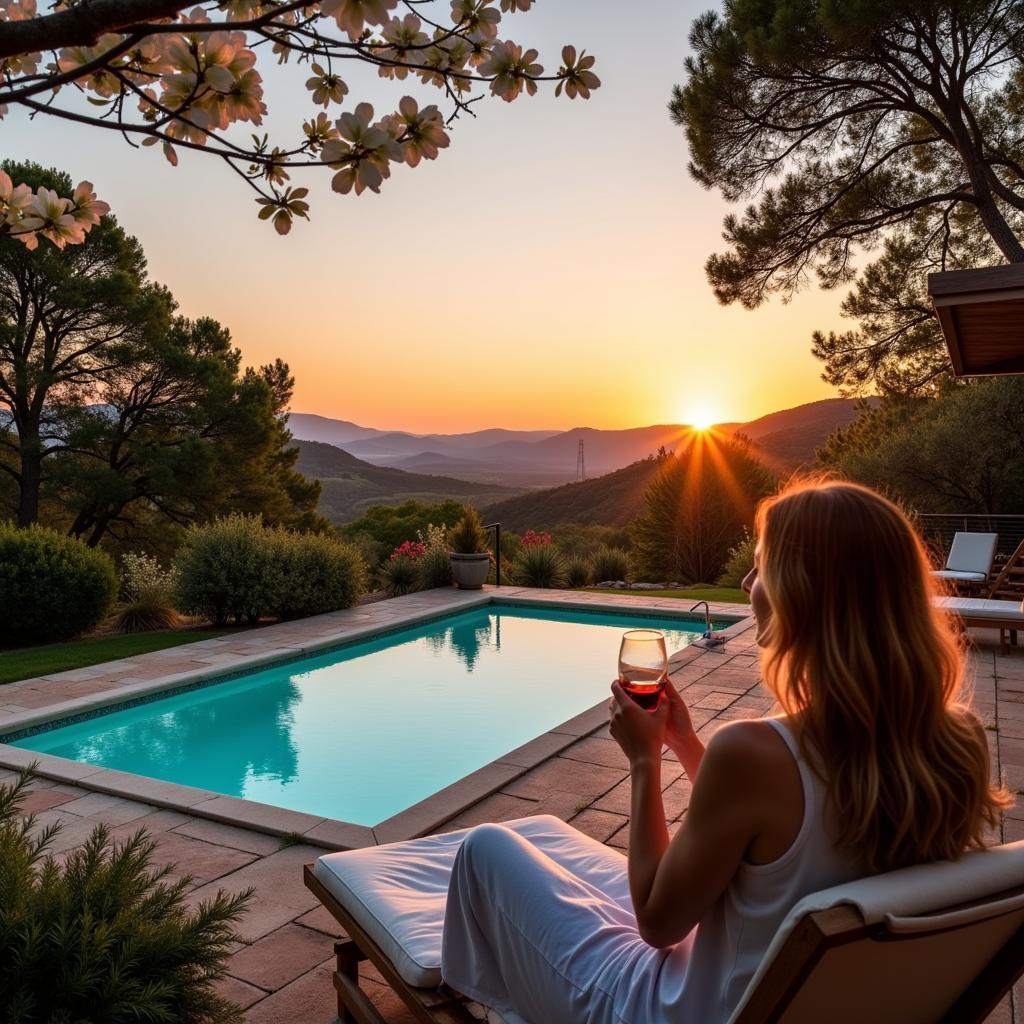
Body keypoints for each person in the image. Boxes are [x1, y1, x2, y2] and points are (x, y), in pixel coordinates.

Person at [440, 480, 1010, 1024]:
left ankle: (495, 1001)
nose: (745, 583)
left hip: (674, 1010)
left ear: (802, 594)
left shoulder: (755, 752)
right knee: (544, 838)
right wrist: (687, 743)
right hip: (792, 996)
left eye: (762, 567)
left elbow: (658, 923)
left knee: (486, 848)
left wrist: (644, 762)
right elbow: (781, 839)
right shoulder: (955, 744)